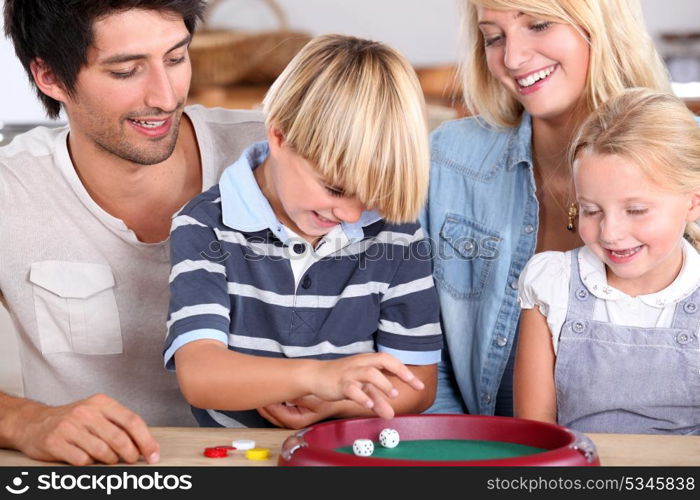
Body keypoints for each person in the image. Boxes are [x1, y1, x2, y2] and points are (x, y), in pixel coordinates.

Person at [0, 0, 266, 465]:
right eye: (126, 71)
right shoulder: (12, 190)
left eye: (176, 58)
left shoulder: (275, 155)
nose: (164, 96)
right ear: (50, 77)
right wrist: (25, 420)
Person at [164, 34, 443, 429]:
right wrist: (317, 378)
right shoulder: (205, 226)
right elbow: (200, 377)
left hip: (346, 454)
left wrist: (337, 404)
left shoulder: (397, 235)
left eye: (370, 196)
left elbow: (418, 384)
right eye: (334, 188)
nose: (350, 213)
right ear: (279, 136)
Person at [420, 0, 671, 417]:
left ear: (601, 25)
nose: (513, 58)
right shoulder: (449, 157)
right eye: (493, 37)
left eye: (538, 24)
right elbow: (421, 348)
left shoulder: (685, 155)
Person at [515, 88, 700, 434]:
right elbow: (535, 433)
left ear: (693, 203)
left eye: (636, 210)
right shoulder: (551, 283)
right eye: (591, 211)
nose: (610, 233)